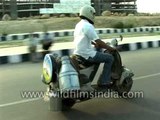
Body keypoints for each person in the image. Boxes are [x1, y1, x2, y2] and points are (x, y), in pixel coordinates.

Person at [73, 5, 116, 88]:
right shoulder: (88, 26)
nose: (94, 16)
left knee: (98, 54)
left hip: (78, 53)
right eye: (93, 14)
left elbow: (82, 38)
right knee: (110, 58)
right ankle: (104, 81)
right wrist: (111, 48)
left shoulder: (78, 25)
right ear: (88, 13)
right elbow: (99, 42)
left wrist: (93, 43)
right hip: (86, 55)